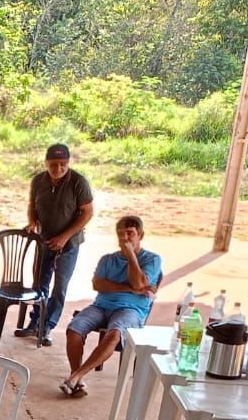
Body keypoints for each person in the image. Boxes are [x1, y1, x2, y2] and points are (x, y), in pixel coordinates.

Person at [61, 214, 162, 397]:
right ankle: (76, 379)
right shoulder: (107, 259)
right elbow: (98, 285)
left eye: (130, 233)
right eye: (120, 233)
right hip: (101, 306)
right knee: (74, 328)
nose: (124, 238)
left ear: (141, 235)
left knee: (115, 333)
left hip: (131, 310)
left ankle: (76, 376)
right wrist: (129, 288)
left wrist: (131, 254)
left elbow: (139, 284)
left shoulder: (152, 259)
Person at [22, 142, 94, 345]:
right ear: (46, 163)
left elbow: (87, 212)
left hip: (69, 244)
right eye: (53, 164)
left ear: (68, 163)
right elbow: (32, 205)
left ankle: (48, 325)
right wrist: (32, 222)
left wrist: (64, 237)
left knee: (59, 286)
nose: (58, 168)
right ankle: (35, 321)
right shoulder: (38, 180)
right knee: (39, 283)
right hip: (45, 240)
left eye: (63, 164)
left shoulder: (78, 182)